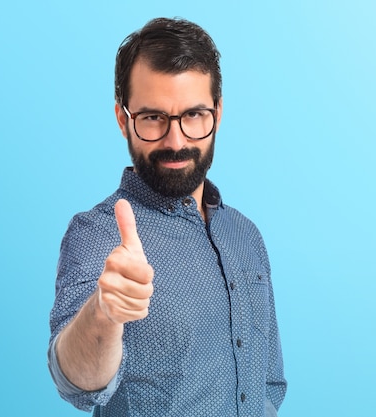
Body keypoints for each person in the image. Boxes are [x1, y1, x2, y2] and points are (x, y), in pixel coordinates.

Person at [48, 17, 287, 416]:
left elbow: (269, 384)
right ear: (124, 119)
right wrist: (103, 313)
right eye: (153, 118)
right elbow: (74, 381)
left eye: (194, 115)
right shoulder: (97, 234)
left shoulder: (245, 235)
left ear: (218, 112)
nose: (176, 142)